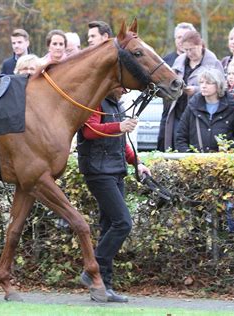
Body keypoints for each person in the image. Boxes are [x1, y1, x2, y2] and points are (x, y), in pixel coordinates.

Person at [77, 88, 151, 303]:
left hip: (114, 170)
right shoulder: (95, 101)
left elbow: (120, 141)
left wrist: (137, 162)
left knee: (110, 225)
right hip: (98, 171)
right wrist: (119, 126)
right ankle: (93, 272)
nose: (125, 91)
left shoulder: (114, 104)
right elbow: (89, 131)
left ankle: (103, 287)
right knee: (122, 223)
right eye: (122, 87)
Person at [159, 30, 224, 151]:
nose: (189, 53)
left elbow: (222, 87)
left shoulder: (213, 62)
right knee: (177, 146)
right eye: (186, 50)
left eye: (192, 49)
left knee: (196, 148)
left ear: (200, 45)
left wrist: (196, 90)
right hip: (178, 111)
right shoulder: (179, 61)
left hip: (202, 114)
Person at [176, 68, 234, 152]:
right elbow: (180, 136)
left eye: (208, 83)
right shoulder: (192, 106)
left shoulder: (231, 107)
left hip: (223, 161)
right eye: (201, 82)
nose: (203, 86)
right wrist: (189, 156)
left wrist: (227, 146)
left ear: (218, 85)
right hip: (196, 162)